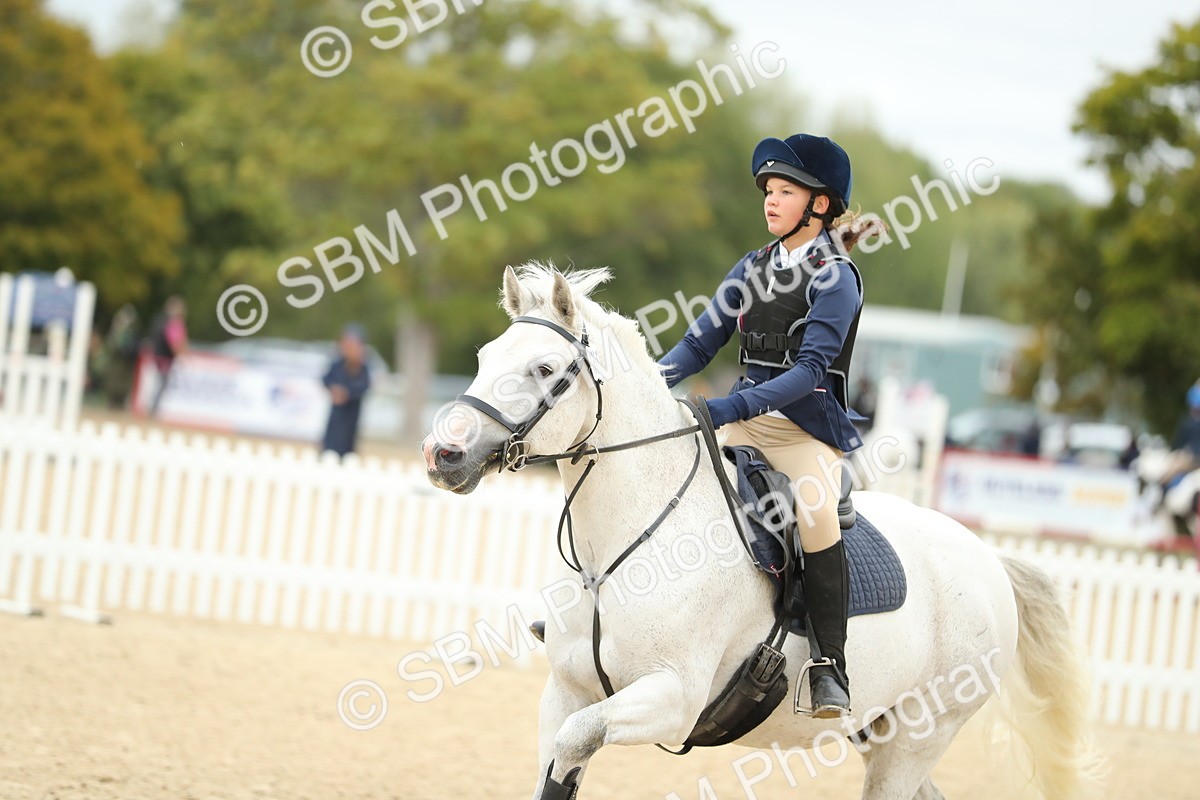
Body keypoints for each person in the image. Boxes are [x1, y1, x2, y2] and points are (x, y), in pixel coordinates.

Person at [658, 133, 879, 719]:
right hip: (746, 418)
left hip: (805, 430)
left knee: (813, 512)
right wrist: (650, 382)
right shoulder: (752, 266)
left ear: (821, 205)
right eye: (769, 191)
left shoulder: (837, 277)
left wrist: (728, 410)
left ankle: (831, 665)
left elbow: (809, 374)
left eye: (786, 191)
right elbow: (699, 343)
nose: (771, 201)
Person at [321, 324, 372, 459]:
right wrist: (333, 390)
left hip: (352, 413)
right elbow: (326, 379)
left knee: (348, 442)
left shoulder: (362, 367)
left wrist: (347, 393)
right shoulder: (337, 364)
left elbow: (364, 386)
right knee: (331, 440)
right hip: (336, 414)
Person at [147, 296, 188, 417]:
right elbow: (174, 342)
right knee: (161, 384)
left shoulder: (161, 321)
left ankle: (153, 409)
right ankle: (153, 410)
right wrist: (181, 355)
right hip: (165, 358)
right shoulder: (173, 323)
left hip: (158, 356)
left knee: (159, 384)